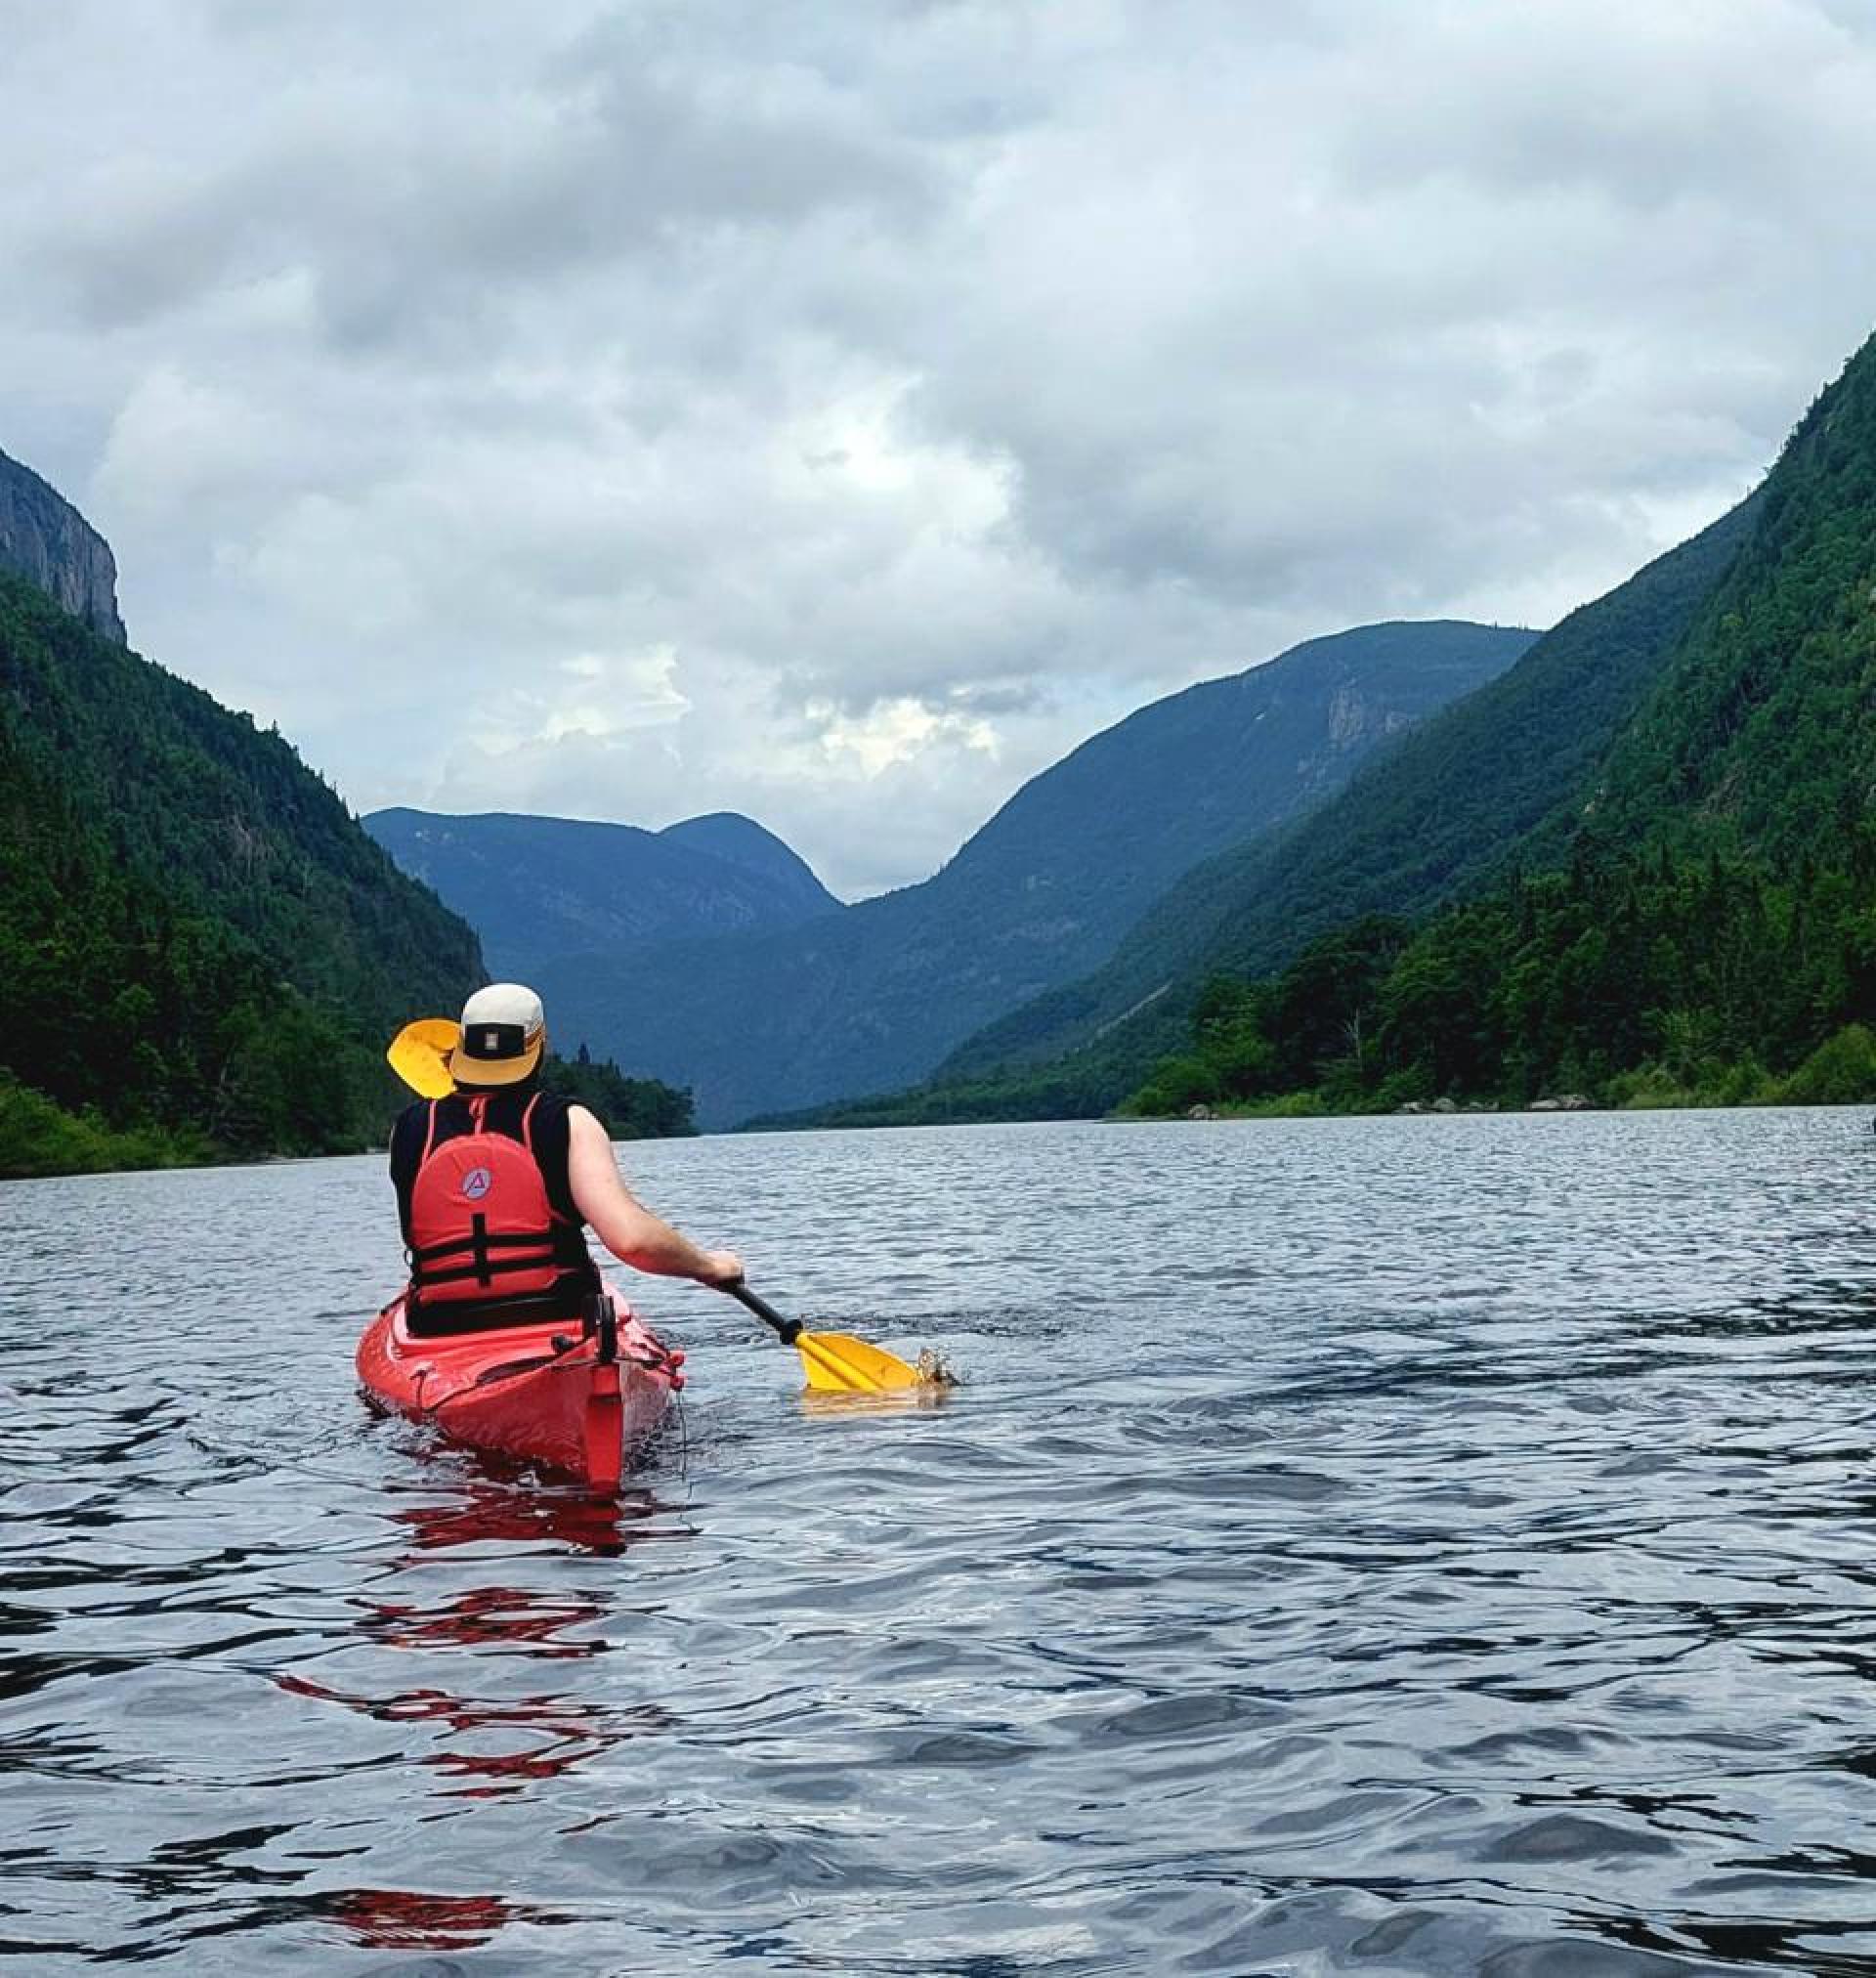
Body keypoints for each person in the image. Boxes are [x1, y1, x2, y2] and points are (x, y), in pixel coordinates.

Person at [390, 982, 742, 1334]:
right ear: (540, 1046)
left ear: (464, 1047)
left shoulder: (409, 1128)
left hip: (439, 1326)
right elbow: (633, 1240)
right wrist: (709, 1265)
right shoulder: (569, 1122)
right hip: (555, 1317)